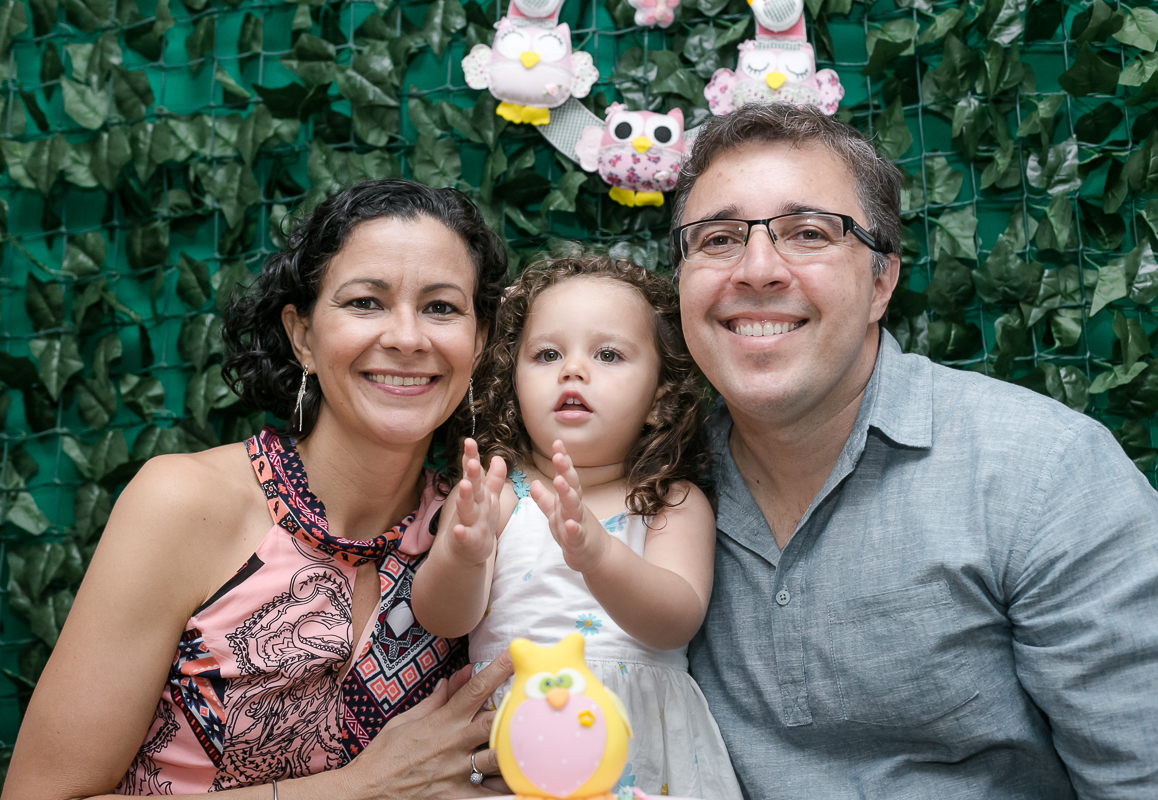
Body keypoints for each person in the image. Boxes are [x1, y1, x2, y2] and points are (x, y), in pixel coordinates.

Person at [675, 102, 1158, 798]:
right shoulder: (648, 486)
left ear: (881, 282)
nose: (757, 269)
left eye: (808, 233)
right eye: (718, 239)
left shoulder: (1044, 474)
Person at [3, 179, 518, 798]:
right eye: (365, 302)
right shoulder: (182, 503)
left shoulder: (482, 528)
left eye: (441, 308)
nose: (408, 337)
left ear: (479, 341)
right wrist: (360, 788)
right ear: (302, 335)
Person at [411, 254, 744, 800]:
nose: (572, 370)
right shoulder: (498, 490)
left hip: (638, 744)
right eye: (547, 354)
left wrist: (598, 556)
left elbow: (675, 622)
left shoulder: (668, 500)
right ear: (514, 384)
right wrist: (462, 555)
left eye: (608, 354)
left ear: (660, 398)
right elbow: (443, 619)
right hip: (514, 739)